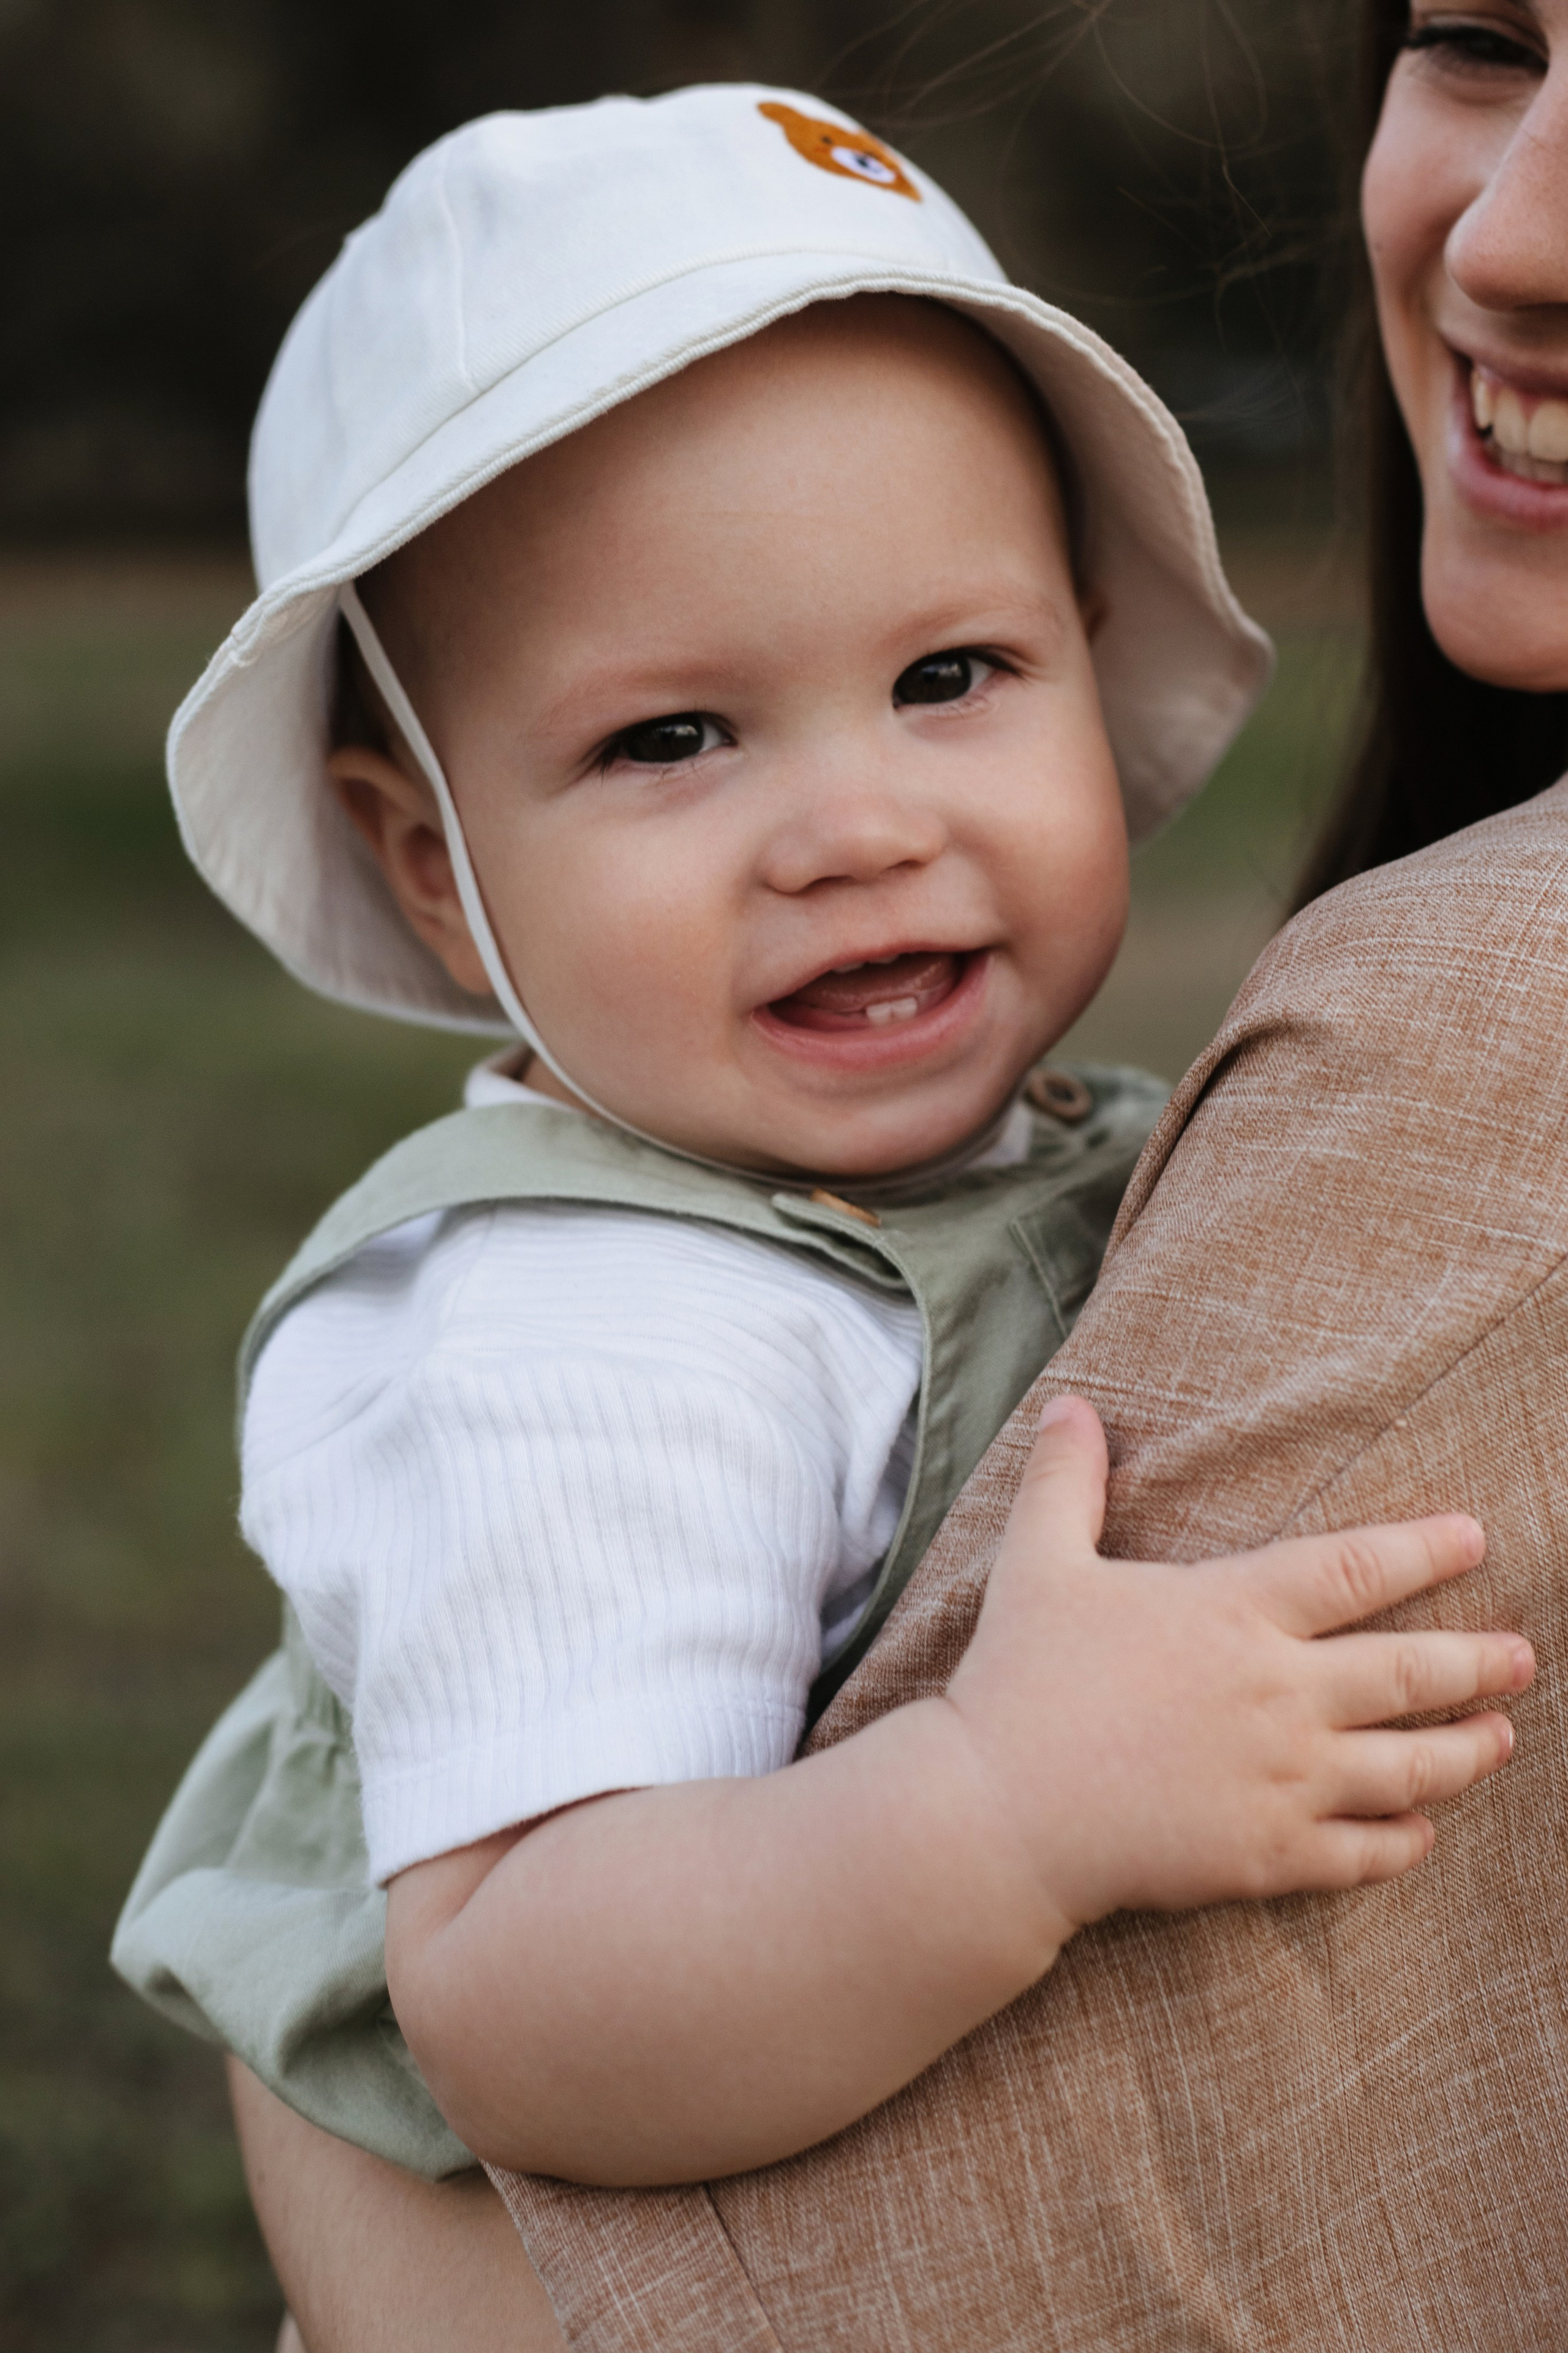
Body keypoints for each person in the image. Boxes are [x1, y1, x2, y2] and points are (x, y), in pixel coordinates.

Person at [105, 72, 1530, 2351]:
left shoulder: (1069, 1136)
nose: (853, 825)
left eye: (949, 677)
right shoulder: (578, 1344)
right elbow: (534, 2001)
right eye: (673, 739)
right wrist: (1004, 1809)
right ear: (424, 864)